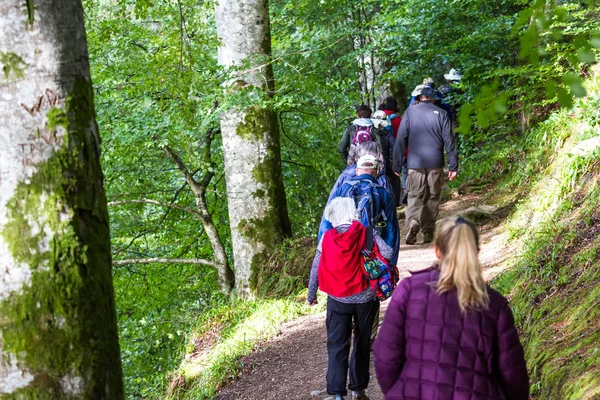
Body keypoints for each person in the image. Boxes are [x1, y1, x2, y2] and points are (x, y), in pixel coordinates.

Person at [373, 216, 529, 399]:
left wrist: (397, 392)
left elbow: (385, 356)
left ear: (437, 251)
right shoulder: (494, 305)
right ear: (476, 251)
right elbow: (513, 376)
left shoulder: (409, 291)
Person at [308, 197, 394, 400]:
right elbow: (388, 253)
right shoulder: (366, 233)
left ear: (332, 216)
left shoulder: (327, 238)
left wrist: (311, 294)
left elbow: (315, 267)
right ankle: (358, 390)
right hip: (365, 298)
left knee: (337, 345)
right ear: (353, 212)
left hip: (337, 300)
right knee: (362, 343)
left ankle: (337, 394)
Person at [392, 86, 458, 245]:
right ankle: (428, 231)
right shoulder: (441, 113)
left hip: (415, 164)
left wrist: (396, 165)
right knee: (432, 196)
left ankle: (414, 222)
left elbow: (401, 139)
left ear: (419, 97)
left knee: (415, 195)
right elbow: (449, 141)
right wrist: (453, 166)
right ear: (433, 98)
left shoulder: (410, 113)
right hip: (435, 162)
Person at [317, 142, 393, 244]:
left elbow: (329, 214)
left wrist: (324, 245)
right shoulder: (382, 179)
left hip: (345, 240)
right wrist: (389, 253)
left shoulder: (344, 178)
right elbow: (390, 221)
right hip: (373, 241)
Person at [378, 97, 402, 206]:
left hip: (380, 154)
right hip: (395, 150)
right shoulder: (397, 119)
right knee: (395, 177)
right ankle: (397, 201)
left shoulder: (377, 117)